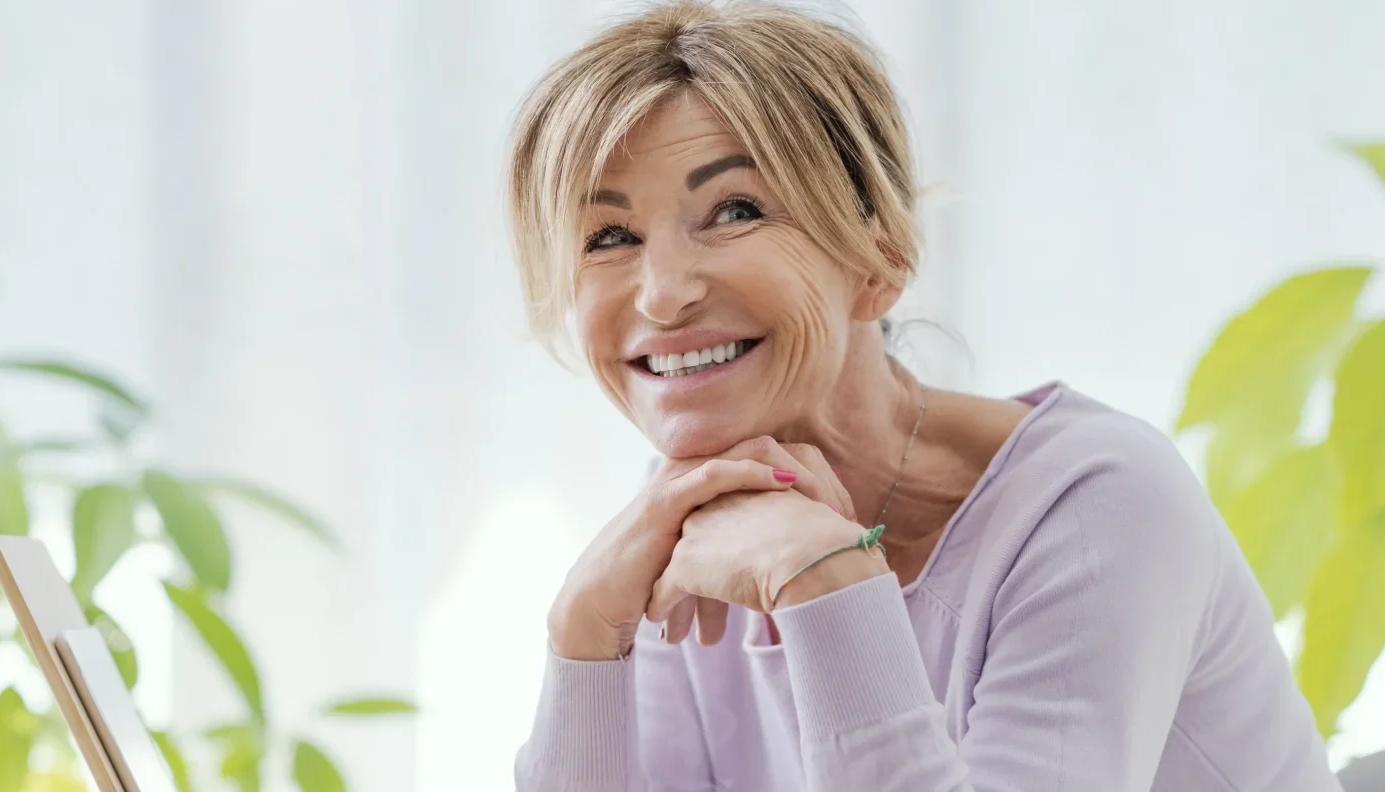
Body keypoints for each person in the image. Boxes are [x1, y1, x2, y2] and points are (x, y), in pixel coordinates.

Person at [503, 2, 1340, 791]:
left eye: (733, 211)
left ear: (879, 259)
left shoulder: (1096, 507)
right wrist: (581, 637)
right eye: (608, 236)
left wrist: (823, 584)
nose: (660, 294)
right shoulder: (696, 520)